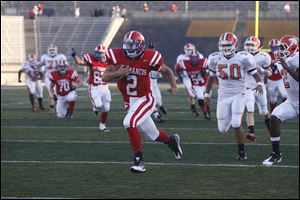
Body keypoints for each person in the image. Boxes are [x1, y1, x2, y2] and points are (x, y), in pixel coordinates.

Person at [102, 30, 183, 173]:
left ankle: (139, 161)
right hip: (130, 102)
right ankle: (172, 141)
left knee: (129, 122)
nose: (129, 49)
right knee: (153, 135)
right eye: (127, 45)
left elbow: (168, 70)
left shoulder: (150, 57)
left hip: (145, 99)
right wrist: (118, 74)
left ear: (140, 46)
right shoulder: (117, 55)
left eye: (133, 45)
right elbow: (105, 77)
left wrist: (174, 85)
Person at [204, 32, 264, 161]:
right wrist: (206, 94)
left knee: (236, 123)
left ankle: (242, 152)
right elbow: (211, 77)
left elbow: (255, 74)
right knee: (222, 129)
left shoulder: (244, 57)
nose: (225, 48)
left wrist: (259, 83)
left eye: (228, 45)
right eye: (222, 45)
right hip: (223, 96)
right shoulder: (214, 58)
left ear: (235, 44)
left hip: (239, 94)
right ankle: (237, 123)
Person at [262, 35, 299, 166]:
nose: (280, 51)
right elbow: (272, 70)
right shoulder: (282, 61)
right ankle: (276, 154)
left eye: (284, 48)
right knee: (274, 117)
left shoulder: (297, 58)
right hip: (292, 101)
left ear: (293, 47)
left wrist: (287, 67)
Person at [72, 44, 111, 132]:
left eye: (101, 53)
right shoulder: (91, 59)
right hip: (94, 87)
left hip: (105, 87)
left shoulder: (108, 62)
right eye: (97, 53)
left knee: (107, 108)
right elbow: (80, 62)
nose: (99, 55)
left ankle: (102, 125)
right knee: (98, 105)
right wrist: (75, 56)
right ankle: (94, 106)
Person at [243, 36, 272, 141]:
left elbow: (270, 73)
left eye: (252, 45)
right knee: (249, 108)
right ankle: (251, 132)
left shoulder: (264, 56)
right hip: (246, 87)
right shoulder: (241, 56)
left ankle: (271, 129)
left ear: (259, 46)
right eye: (248, 45)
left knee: (264, 112)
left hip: (259, 86)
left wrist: (262, 70)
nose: (250, 47)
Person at [177, 50, 211, 119]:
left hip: (205, 84)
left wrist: (207, 71)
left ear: (198, 57)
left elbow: (211, 69)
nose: (194, 59)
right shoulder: (184, 63)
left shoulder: (204, 61)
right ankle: (205, 112)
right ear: (190, 58)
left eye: (196, 57)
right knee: (200, 97)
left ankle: (208, 110)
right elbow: (177, 68)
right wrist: (180, 73)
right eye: (192, 58)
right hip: (196, 85)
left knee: (207, 99)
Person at [174, 43, 205, 117]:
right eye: (188, 50)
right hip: (187, 77)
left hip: (198, 77)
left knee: (201, 94)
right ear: (185, 50)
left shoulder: (199, 55)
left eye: (191, 49)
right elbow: (177, 67)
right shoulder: (181, 57)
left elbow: (203, 67)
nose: (189, 51)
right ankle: (193, 109)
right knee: (191, 95)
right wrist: (178, 76)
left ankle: (204, 109)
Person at [38, 44, 68, 113]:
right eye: (50, 50)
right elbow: (40, 66)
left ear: (56, 50)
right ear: (48, 50)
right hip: (49, 77)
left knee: (59, 92)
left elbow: (66, 66)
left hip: (59, 77)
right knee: (51, 92)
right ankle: (52, 107)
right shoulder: (44, 57)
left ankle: (61, 106)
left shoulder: (61, 56)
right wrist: (39, 68)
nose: (52, 51)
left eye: (53, 50)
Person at [148, 42, 168, 123]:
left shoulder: (156, 57)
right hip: (147, 84)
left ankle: (161, 106)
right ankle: (157, 115)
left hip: (154, 84)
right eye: (151, 49)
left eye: (153, 49)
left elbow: (161, 67)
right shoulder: (145, 57)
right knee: (152, 101)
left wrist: (159, 73)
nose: (152, 50)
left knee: (159, 101)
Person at [267, 39, 287, 113]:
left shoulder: (283, 54)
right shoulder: (267, 55)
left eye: (276, 47)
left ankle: (283, 110)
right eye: (273, 47)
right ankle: (273, 113)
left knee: (285, 95)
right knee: (273, 99)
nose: (275, 49)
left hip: (280, 79)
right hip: (271, 80)